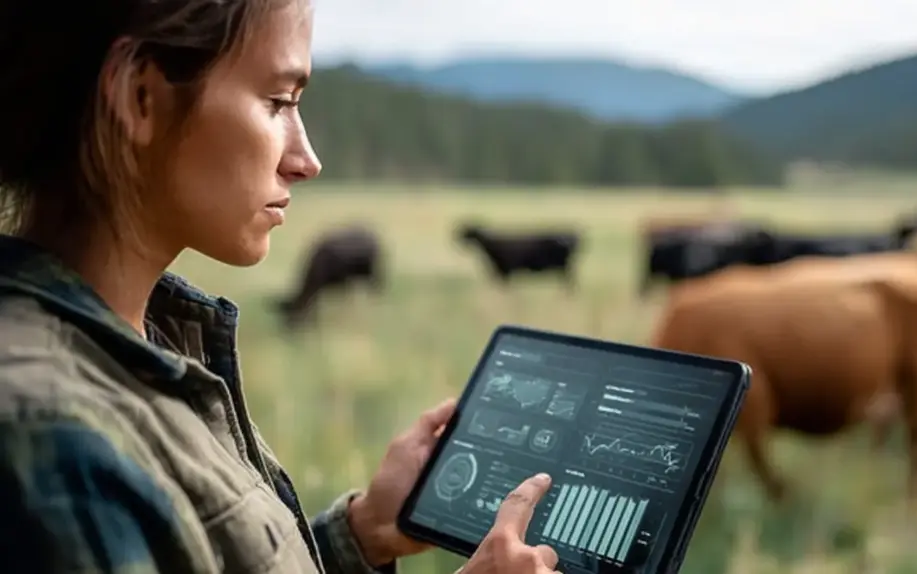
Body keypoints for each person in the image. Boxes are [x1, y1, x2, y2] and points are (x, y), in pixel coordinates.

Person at [0, 0, 561, 572]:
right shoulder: (48, 436)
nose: (306, 160)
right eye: (278, 102)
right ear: (142, 97)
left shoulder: (149, 338)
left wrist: (363, 533)